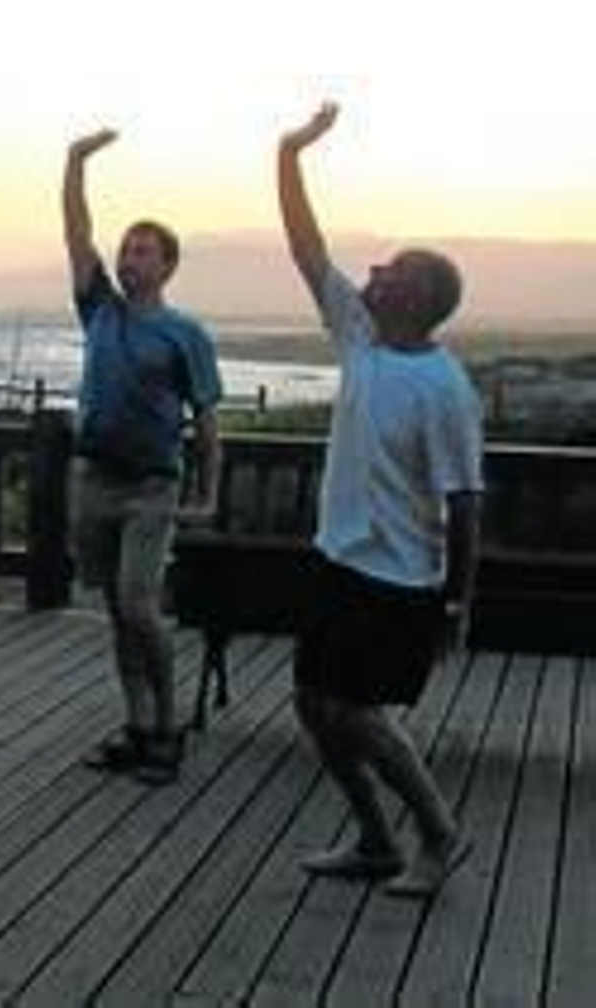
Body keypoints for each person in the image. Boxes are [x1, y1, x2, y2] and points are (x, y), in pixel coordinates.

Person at [278, 103, 482, 898]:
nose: (374, 271)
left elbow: (466, 503)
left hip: (400, 580)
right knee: (311, 705)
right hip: (339, 560)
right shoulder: (358, 337)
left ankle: (438, 834)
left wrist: (458, 606)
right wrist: (289, 153)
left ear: (414, 298)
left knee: (358, 714)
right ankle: (374, 840)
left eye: (392, 269)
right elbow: (305, 244)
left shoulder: (443, 388)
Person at [62, 128, 224, 785]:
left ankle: (169, 723)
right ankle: (138, 726)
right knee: (113, 611)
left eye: (143, 251)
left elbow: (210, 419)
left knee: (137, 606)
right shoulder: (99, 310)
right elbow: (76, 233)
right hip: (94, 478)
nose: (128, 259)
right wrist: (74, 164)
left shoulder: (186, 334)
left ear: (166, 266)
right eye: (125, 249)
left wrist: (207, 494)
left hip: (153, 486)